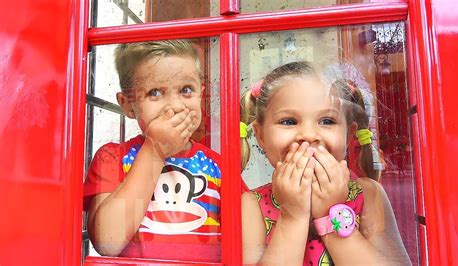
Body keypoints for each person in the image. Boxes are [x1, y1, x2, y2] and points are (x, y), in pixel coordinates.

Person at [240, 61, 411, 265]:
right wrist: (292, 216)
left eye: (327, 121)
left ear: (349, 135)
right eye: (289, 121)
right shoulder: (252, 204)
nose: (309, 135)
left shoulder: (369, 194)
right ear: (260, 135)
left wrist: (331, 213)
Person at [83, 40, 222, 262]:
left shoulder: (217, 165)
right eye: (155, 92)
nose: (175, 106)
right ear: (128, 104)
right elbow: (107, 241)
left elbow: (247, 242)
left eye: (186, 90)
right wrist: (154, 152)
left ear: (200, 95)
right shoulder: (112, 158)